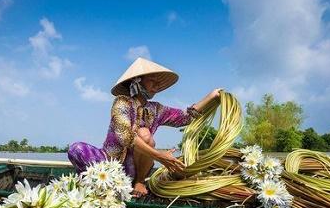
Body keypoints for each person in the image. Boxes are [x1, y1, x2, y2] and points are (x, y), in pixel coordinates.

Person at [68, 57, 223, 198]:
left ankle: (139, 183)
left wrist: (211, 96)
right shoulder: (122, 102)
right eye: (152, 81)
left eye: (158, 82)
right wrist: (160, 156)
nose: (156, 86)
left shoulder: (156, 109)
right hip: (108, 164)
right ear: (137, 81)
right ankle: (98, 186)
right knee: (76, 148)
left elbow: (185, 117)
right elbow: (125, 136)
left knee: (144, 134)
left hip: (133, 171)